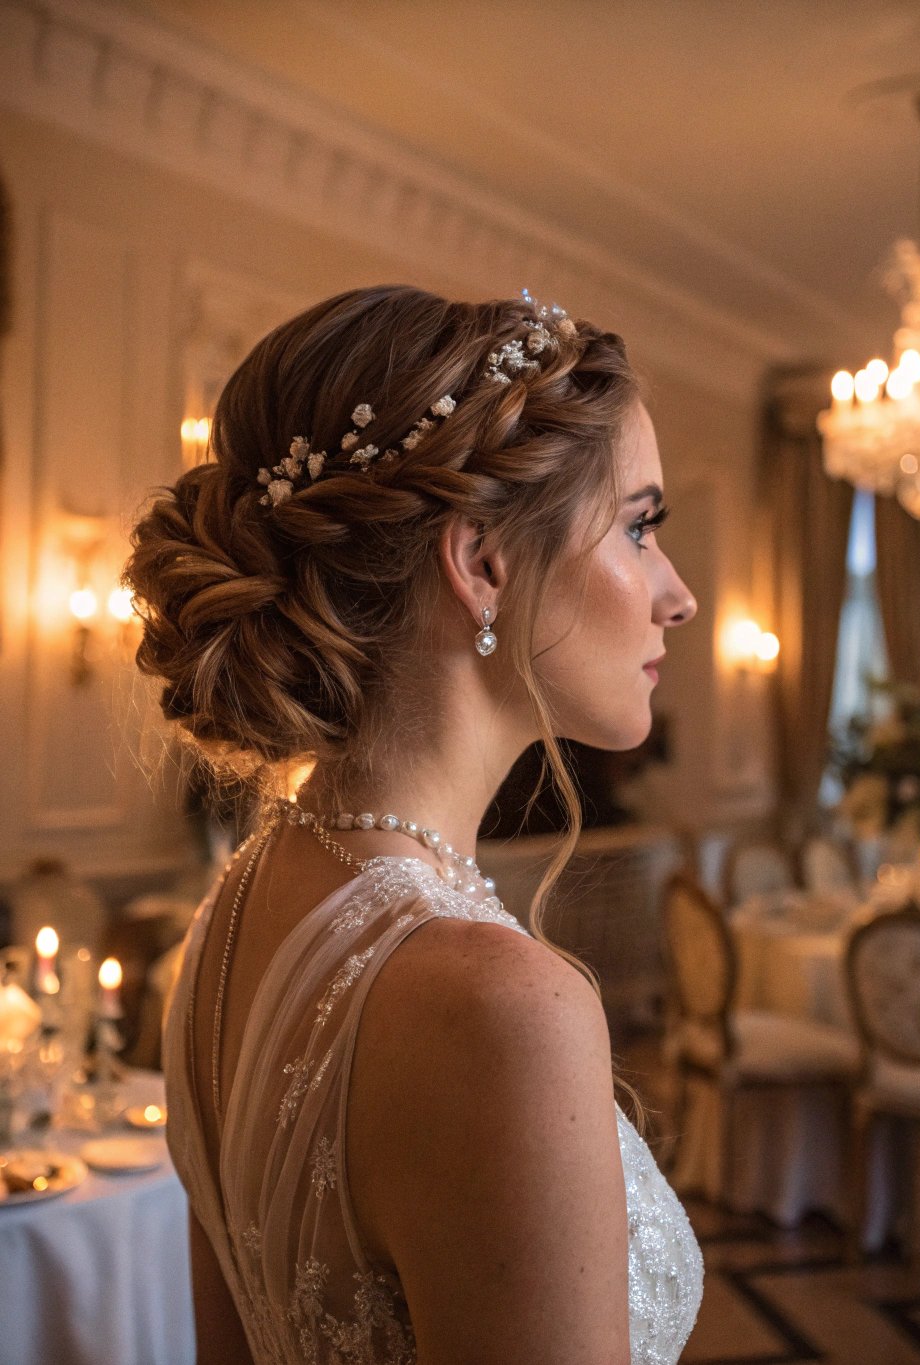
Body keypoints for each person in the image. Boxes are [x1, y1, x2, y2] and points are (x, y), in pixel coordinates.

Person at [125, 285, 701, 1365]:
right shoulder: (504, 1009)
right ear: (481, 561)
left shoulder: (238, 901)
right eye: (638, 525)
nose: (678, 595)